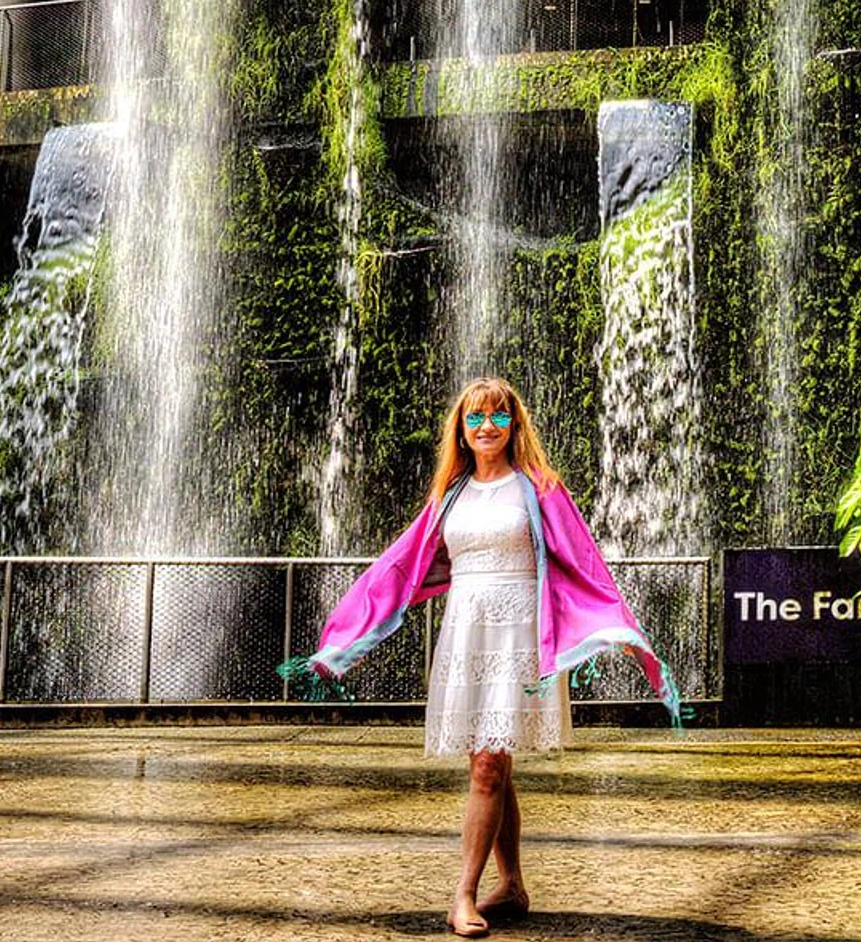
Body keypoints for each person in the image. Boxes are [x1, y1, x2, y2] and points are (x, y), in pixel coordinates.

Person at [282, 376, 681, 938]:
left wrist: (614, 626)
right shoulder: (449, 494)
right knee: (494, 765)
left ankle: (463, 894)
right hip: (468, 634)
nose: (486, 425)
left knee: (488, 764)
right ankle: (513, 885)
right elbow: (400, 569)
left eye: (497, 415)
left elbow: (583, 561)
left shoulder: (538, 487)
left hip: (519, 636)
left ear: (514, 425)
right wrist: (353, 638)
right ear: (461, 430)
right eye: (475, 417)